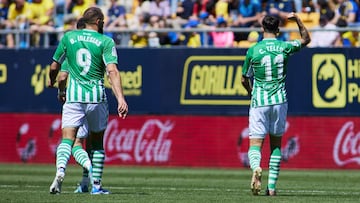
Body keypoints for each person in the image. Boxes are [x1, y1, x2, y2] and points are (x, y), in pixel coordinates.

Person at [48, 7, 128, 195]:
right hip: (96, 98)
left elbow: (55, 68)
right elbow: (112, 71)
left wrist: (53, 83)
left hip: (74, 97)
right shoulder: (105, 41)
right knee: (97, 143)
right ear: (99, 21)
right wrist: (121, 99)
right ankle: (96, 185)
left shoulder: (69, 38)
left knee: (68, 140)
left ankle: (60, 171)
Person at [241, 13, 310, 196]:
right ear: (278, 31)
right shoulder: (284, 47)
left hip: (259, 101)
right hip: (279, 101)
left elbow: (244, 79)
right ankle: (271, 188)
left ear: (262, 29)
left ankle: (256, 168)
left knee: (255, 144)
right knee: (276, 145)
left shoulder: (253, 50)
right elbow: (305, 39)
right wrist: (297, 20)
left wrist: (251, 92)